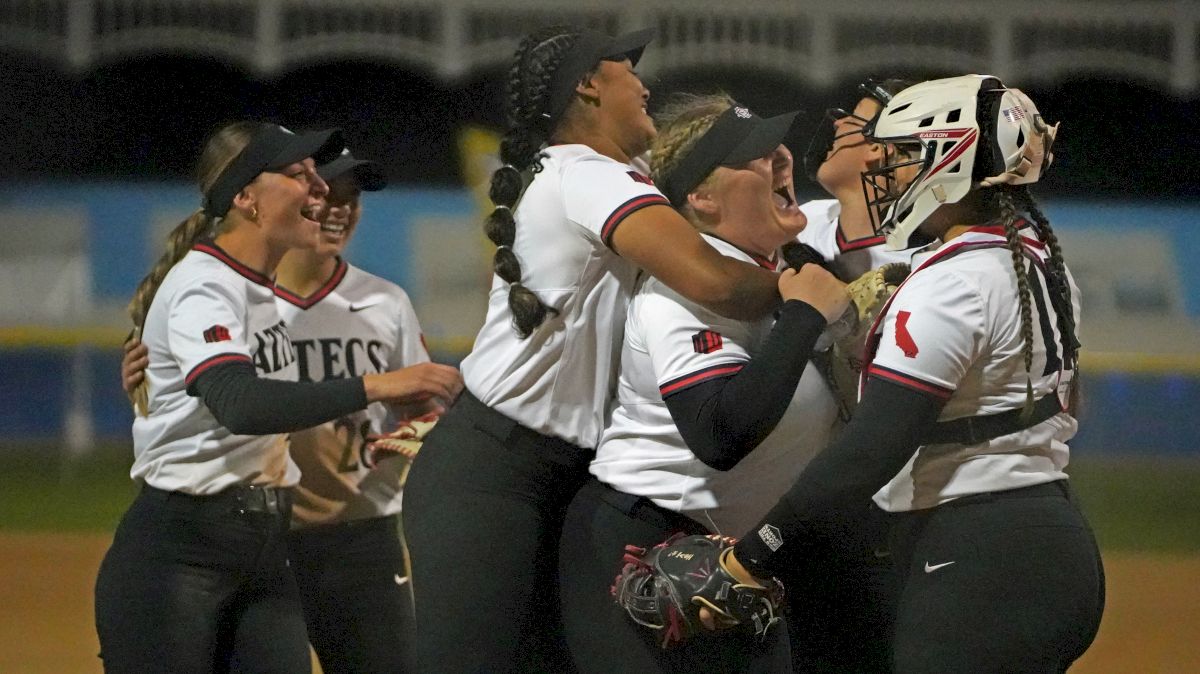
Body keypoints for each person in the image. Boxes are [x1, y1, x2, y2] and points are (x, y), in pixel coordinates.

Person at [399, 25, 832, 673]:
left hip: (542, 462)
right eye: (627, 69)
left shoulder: (592, 176)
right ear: (588, 85)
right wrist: (808, 295)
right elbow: (716, 283)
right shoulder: (588, 175)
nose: (644, 84)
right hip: (500, 469)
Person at [720, 75, 1104, 672]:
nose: (887, 168)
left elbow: (870, 451)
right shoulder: (1032, 258)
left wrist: (751, 556)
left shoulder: (953, 282)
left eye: (901, 154)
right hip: (1040, 534)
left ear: (948, 162)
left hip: (977, 553)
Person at [96, 122, 463, 673]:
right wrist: (379, 385)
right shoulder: (207, 285)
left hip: (274, 544)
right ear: (245, 197)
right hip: (185, 548)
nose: (321, 193)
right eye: (301, 176)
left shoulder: (259, 289)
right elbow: (241, 404)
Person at [556, 94, 848, 673]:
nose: (782, 158)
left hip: (730, 554)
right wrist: (805, 316)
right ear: (701, 199)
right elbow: (718, 434)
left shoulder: (774, 270)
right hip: (642, 547)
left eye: (778, 146)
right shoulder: (684, 290)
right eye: (756, 155)